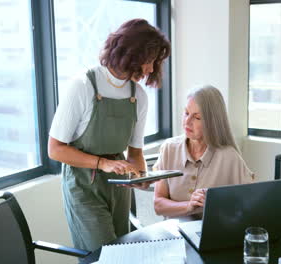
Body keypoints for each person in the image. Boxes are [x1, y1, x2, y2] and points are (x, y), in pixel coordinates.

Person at [48, 18, 170, 251]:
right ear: (132, 53)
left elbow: (135, 153)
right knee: (102, 254)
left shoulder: (139, 96)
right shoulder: (82, 86)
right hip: (83, 186)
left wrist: (141, 178)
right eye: (150, 61)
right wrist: (102, 163)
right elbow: (55, 149)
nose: (151, 69)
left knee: (121, 253)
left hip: (118, 186)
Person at [153, 85, 255, 218]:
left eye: (197, 117)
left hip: (213, 234)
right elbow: (158, 205)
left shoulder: (229, 157)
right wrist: (189, 206)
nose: (187, 121)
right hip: (174, 234)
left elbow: (249, 204)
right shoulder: (169, 148)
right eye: (186, 113)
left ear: (212, 122)